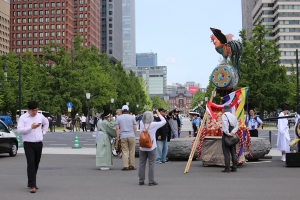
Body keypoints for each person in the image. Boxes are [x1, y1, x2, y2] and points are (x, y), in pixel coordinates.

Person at [17, 100, 49, 193]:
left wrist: (44, 132)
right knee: (31, 163)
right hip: (28, 143)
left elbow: (46, 123)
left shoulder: (40, 116)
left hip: (38, 143)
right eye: (33, 110)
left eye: (36, 110)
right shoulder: (23, 118)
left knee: (36, 163)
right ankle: (33, 185)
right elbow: (19, 130)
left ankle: (30, 181)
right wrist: (30, 127)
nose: (35, 112)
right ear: (28, 110)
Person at [139, 110, 166, 186]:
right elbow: (164, 121)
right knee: (151, 164)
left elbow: (143, 118)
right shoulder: (153, 124)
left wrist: (148, 113)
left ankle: (141, 180)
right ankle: (151, 181)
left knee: (141, 164)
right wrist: (159, 114)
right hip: (151, 147)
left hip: (142, 147)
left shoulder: (141, 123)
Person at [116, 105, 137, 171]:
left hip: (123, 135)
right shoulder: (132, 117)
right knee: (132, 151)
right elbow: (135, 127)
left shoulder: (119, 118)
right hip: (131, 135)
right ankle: (132, 165)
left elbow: (117, 128)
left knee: (124, 151)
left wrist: (118, 137)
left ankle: (125, 166)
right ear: (128, 111)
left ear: (122, 111)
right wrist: (134, 134)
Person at [96, 105, 116, 170]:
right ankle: (105, 164)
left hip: (99, 137)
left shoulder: (100, 121)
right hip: (104, 136)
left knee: (100, 150)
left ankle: (100, 164)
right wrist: (112, 120)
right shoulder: (105, 122)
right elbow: (112, 127)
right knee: (106, 150)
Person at [221, 105, 238, 173]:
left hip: (226, 135)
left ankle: (227, 168)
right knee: (233, 151)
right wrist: (232, 132)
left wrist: (227, 133)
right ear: (230, 110)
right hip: (233, 135)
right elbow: (237, 126)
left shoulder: (224, 115)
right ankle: (234, 167)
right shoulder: (233, 116)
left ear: (224, 110)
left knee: (226, 152)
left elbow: (225, 125)